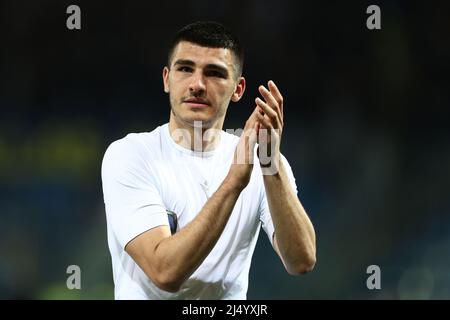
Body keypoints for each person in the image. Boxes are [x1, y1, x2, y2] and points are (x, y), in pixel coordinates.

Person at [101, 21, 316, 300]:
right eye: (185, 69)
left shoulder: (263, 161)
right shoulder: (131, 155)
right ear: (167, 79)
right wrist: (234, 182)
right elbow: (165, 272)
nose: (198, 85)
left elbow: (301, 261)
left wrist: (271, 163)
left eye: (214, 73)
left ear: (238, 89)